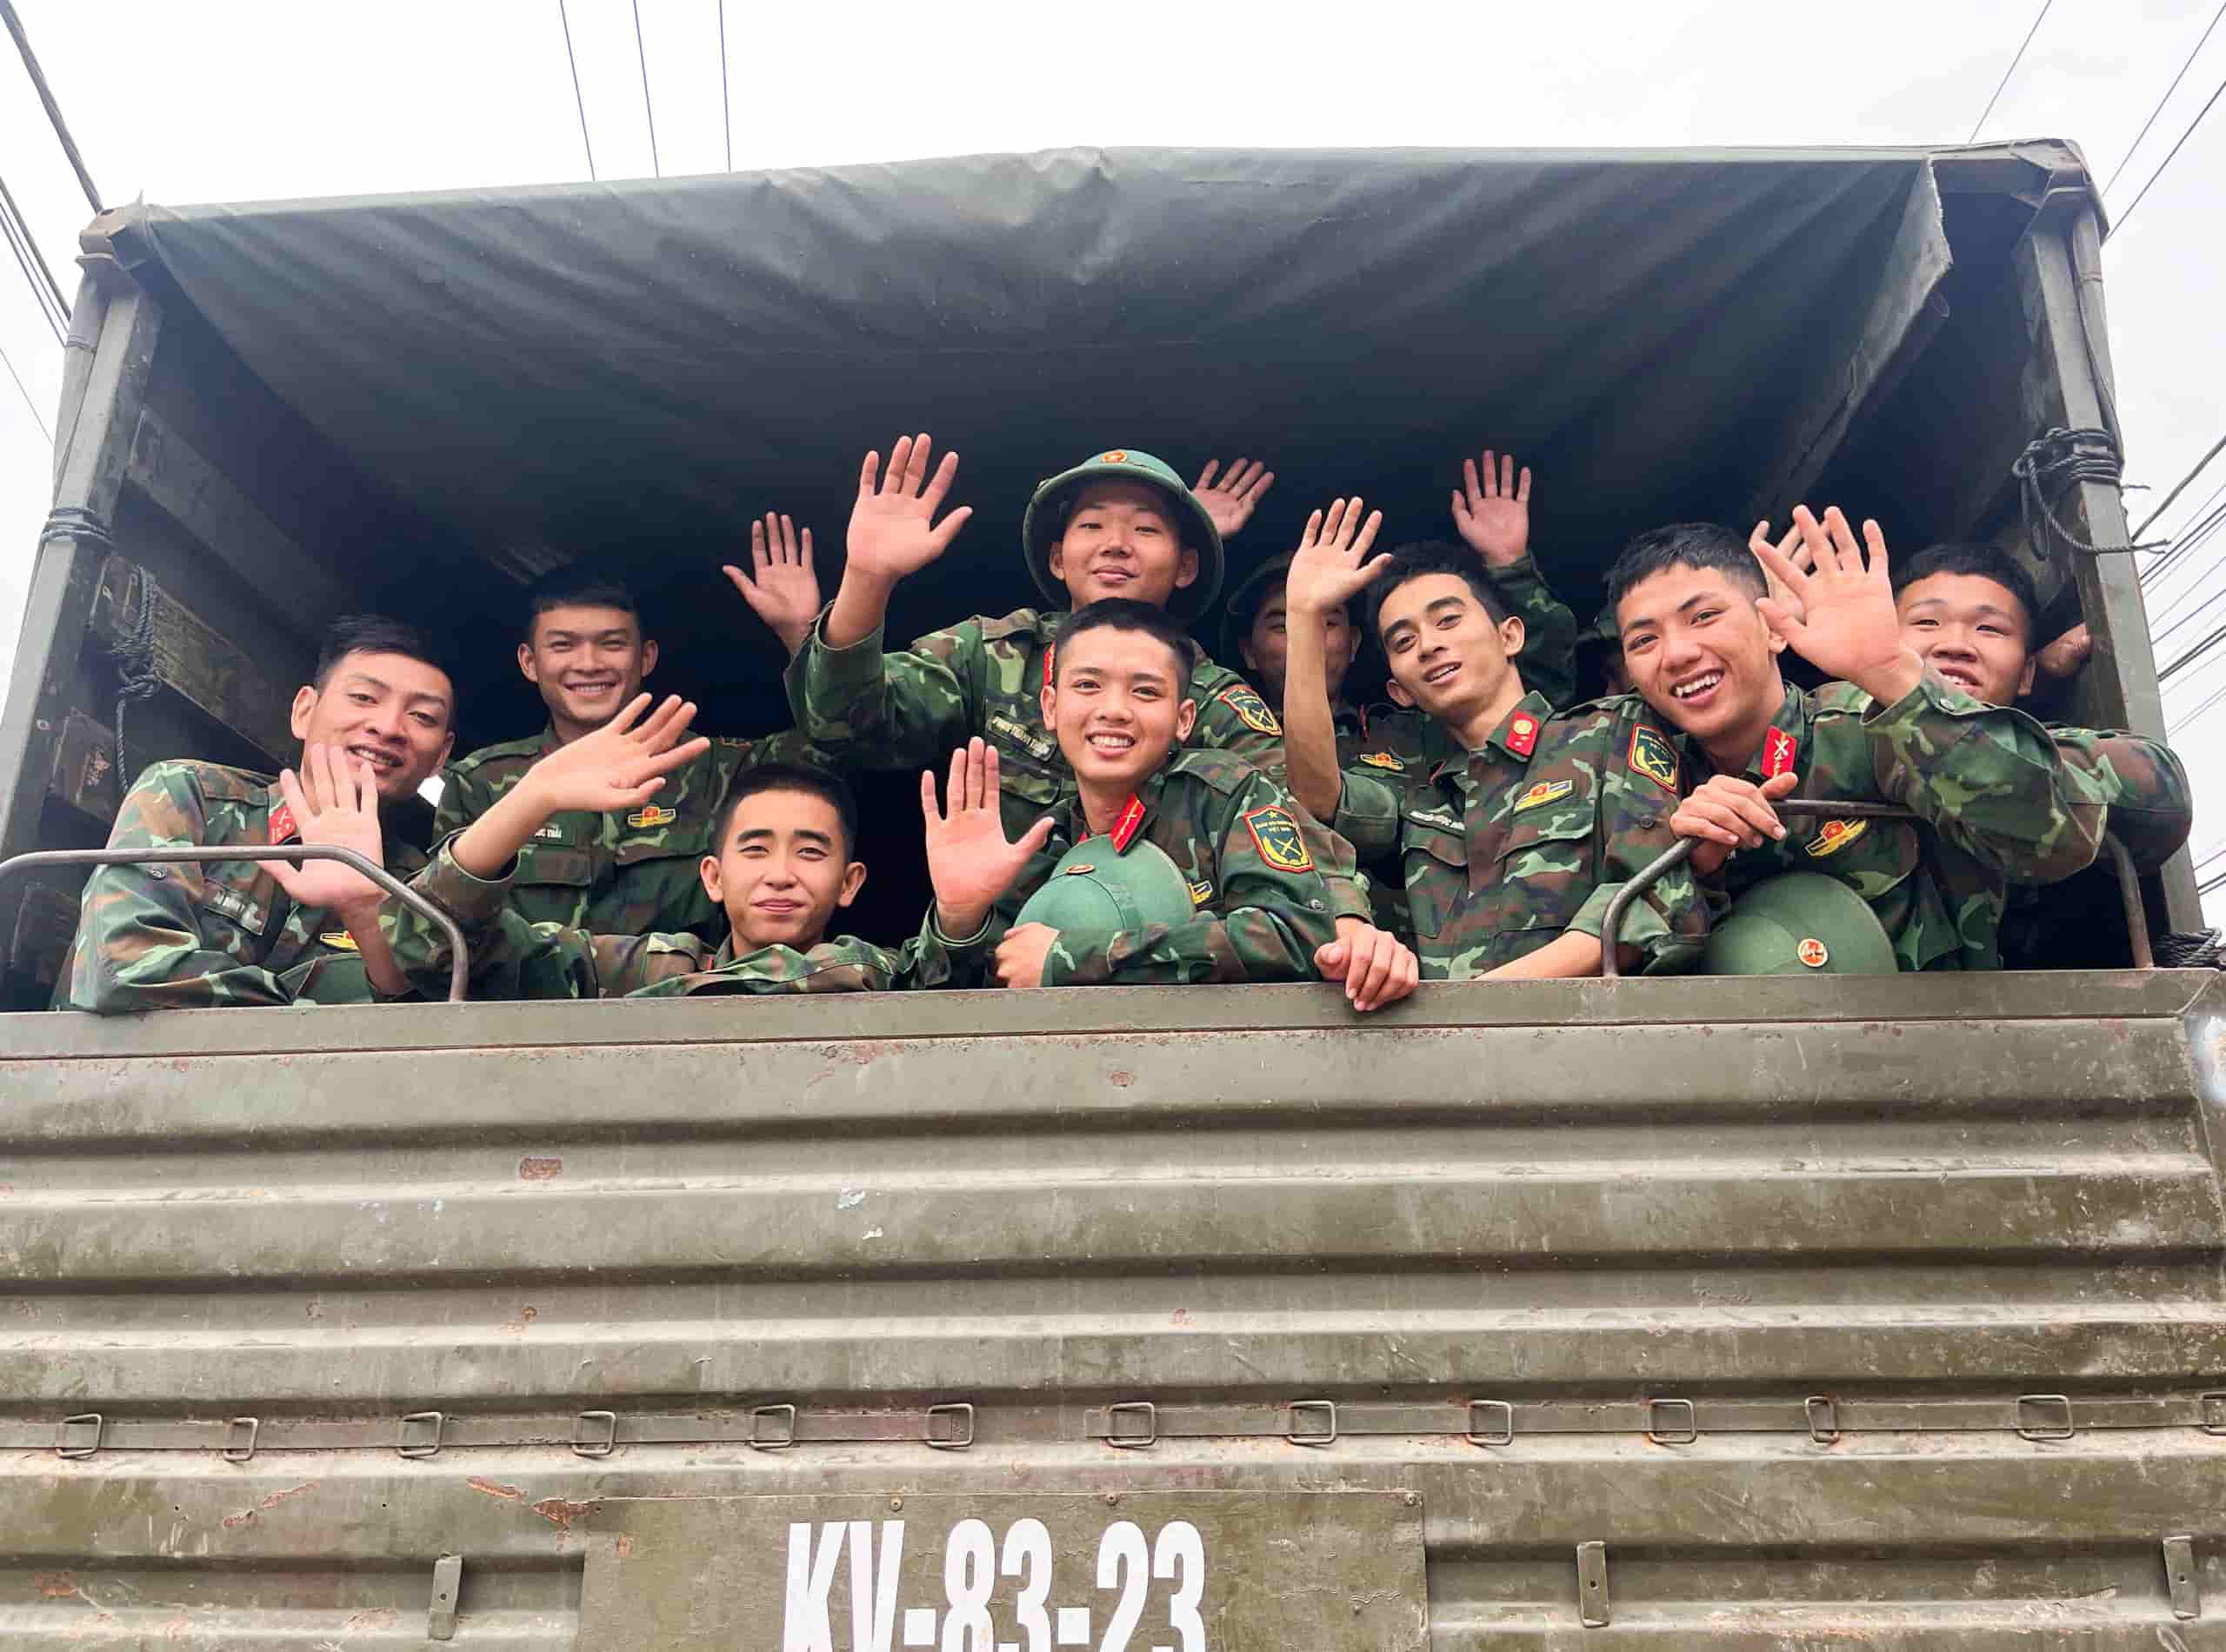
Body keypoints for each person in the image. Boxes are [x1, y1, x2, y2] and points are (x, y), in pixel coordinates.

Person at [776, 436, 1377, 936]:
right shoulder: (992, 654)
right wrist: (868, 579)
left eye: (1146, 529)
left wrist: (1347, 925)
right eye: (1092, 525)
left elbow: (1296, 820)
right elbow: (843, 724)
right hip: (989, 963)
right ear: (1059, 558)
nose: (1116, 543)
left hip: (1162, 974)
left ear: (1186, 566)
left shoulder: (1214, 696)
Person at [1611, 510, 2108, 970]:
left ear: (1774, 629)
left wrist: (1891, 672)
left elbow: (2056, 841)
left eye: (1704, 617)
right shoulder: (1642, 778)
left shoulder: (1872, 727)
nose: (1677, 654)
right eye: (1644, 640)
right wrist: (1696, 866)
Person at [921, 599, 1419, 1009]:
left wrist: (1074, 959)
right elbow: (976, 983)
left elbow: (1291, 934)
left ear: (1184, 719)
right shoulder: (1048, 840)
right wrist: (959, 922)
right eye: (1088, 685)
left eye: (1145, 691)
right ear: (1050, 708)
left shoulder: (1220, 793)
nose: (1114, 710)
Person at [1278, 505, 1705, 978]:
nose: (1428, 646)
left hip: (1589, 1022)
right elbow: (1319, 799)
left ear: (1510, 636)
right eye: (1403, 643)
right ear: (1400, 692)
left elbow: (1649, 898)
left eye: (1447, 620)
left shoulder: (1608, 733)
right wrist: (1305, 618)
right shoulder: (1421, 799)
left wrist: (1480, 1004)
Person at [375, 698, 987, 997]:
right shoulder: (646, 966)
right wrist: (532, 798)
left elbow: (954, 987)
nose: (780, 874)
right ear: (712, 876)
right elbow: (437, 950)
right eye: (755, 850)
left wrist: (959, 917)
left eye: (809, 852)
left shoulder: (879, 972)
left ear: (850, 882)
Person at [63, 615, 456, 1011]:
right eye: (364, 698)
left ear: (440, 757)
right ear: (304, 712)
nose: (388, 727)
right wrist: (305, 1012)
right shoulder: (191, 796)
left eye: (422, 717)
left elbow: (432, 1029)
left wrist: (366, 910)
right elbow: (125, 972)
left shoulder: (424, 889)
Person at [434, 562, 820, 943]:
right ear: (529, 662)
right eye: (563, 645)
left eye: (612, 643)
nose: (589, 664)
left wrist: (802, 637)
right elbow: (438, 930)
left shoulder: (717, 769)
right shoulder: (480, 783)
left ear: (646, 657)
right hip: (527, 987)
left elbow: (836, 752)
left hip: (688, 985)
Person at [1889, 541, 2190, 968]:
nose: (1954, 644)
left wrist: (1922, 706)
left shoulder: (2053, 750)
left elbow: (2161, 799)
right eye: (1926, 622)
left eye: (1989, 629)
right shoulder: (1822, 729)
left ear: (2026, 671)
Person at [1221, 449, 1581, 758]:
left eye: (1327, 622)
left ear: (1354, 643)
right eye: (1282, 625)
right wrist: (1197, 537)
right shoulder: (1219, 734)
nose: (1306, 633)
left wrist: (1510, 567)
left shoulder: (1412, 737)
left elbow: (1524, 694)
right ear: (1248, 651)